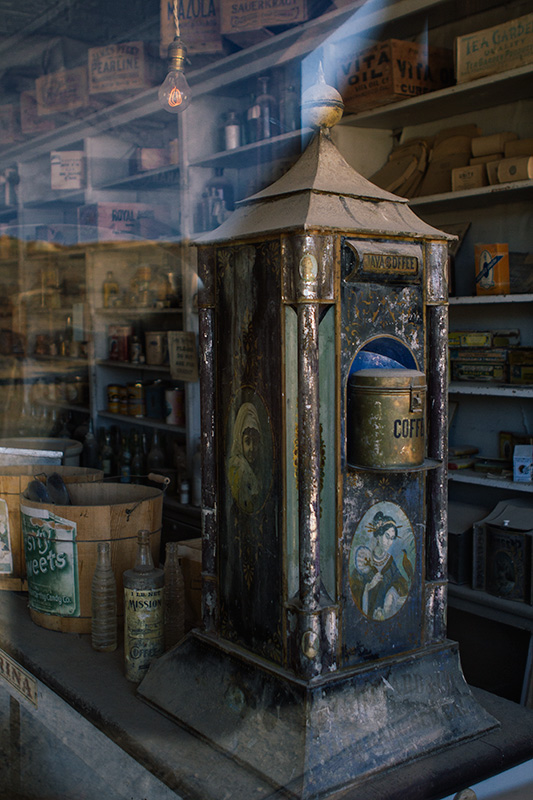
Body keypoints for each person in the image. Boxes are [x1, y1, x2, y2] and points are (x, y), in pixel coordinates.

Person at [350, 510, 410, 621]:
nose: (389, 542)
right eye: (387, 536)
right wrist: (369, 586)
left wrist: (392, 593)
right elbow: (354, 589)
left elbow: (400, 581)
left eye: (392, 538)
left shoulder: (389, 561)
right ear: (378, 535)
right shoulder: (365, 559)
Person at [228, 402, 263, 514]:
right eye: (247, 441)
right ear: (240, 442)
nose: (252, 448)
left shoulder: (259, 469)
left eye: (255, 441)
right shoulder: (240, 468)